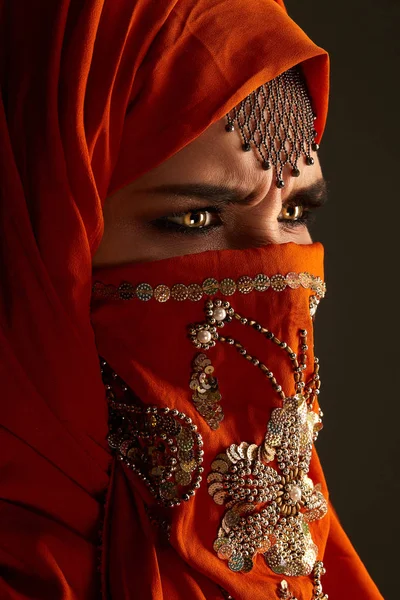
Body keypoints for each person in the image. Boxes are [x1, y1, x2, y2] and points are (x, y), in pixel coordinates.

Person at [0, 1, 383, 599]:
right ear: (42, 232)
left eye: (295, 213)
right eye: (195, 217)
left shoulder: (295, 553)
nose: (274, 266)